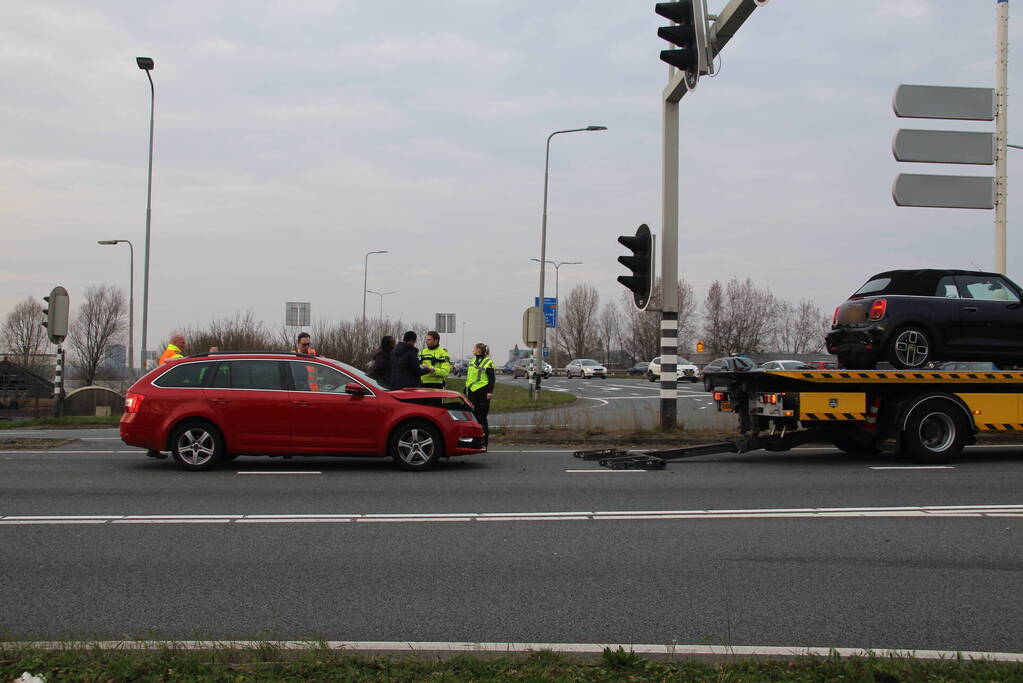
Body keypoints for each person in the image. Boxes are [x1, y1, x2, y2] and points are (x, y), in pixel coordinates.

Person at [464, 342, 496, 447]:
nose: (473, 350)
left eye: (474, 348)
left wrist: (490, 392)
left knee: (482, 418)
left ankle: (484, 443)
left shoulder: (488, 362)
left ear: (479, 350)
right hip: (472, 391)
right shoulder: (472, 361)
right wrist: (466, 389)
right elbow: (470, 376)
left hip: (482, 392)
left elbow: (491, 379)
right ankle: (475, 441)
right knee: (473, 417)